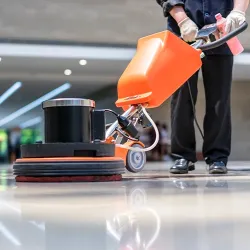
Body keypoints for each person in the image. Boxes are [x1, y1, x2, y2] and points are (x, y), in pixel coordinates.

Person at [156, 0, 249, 174]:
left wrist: (238, 11)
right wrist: (182, 20)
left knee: (220, 99)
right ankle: (182, 155)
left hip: (221, 32)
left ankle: (217, 157)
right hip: (183, 33)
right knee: (182, 97)